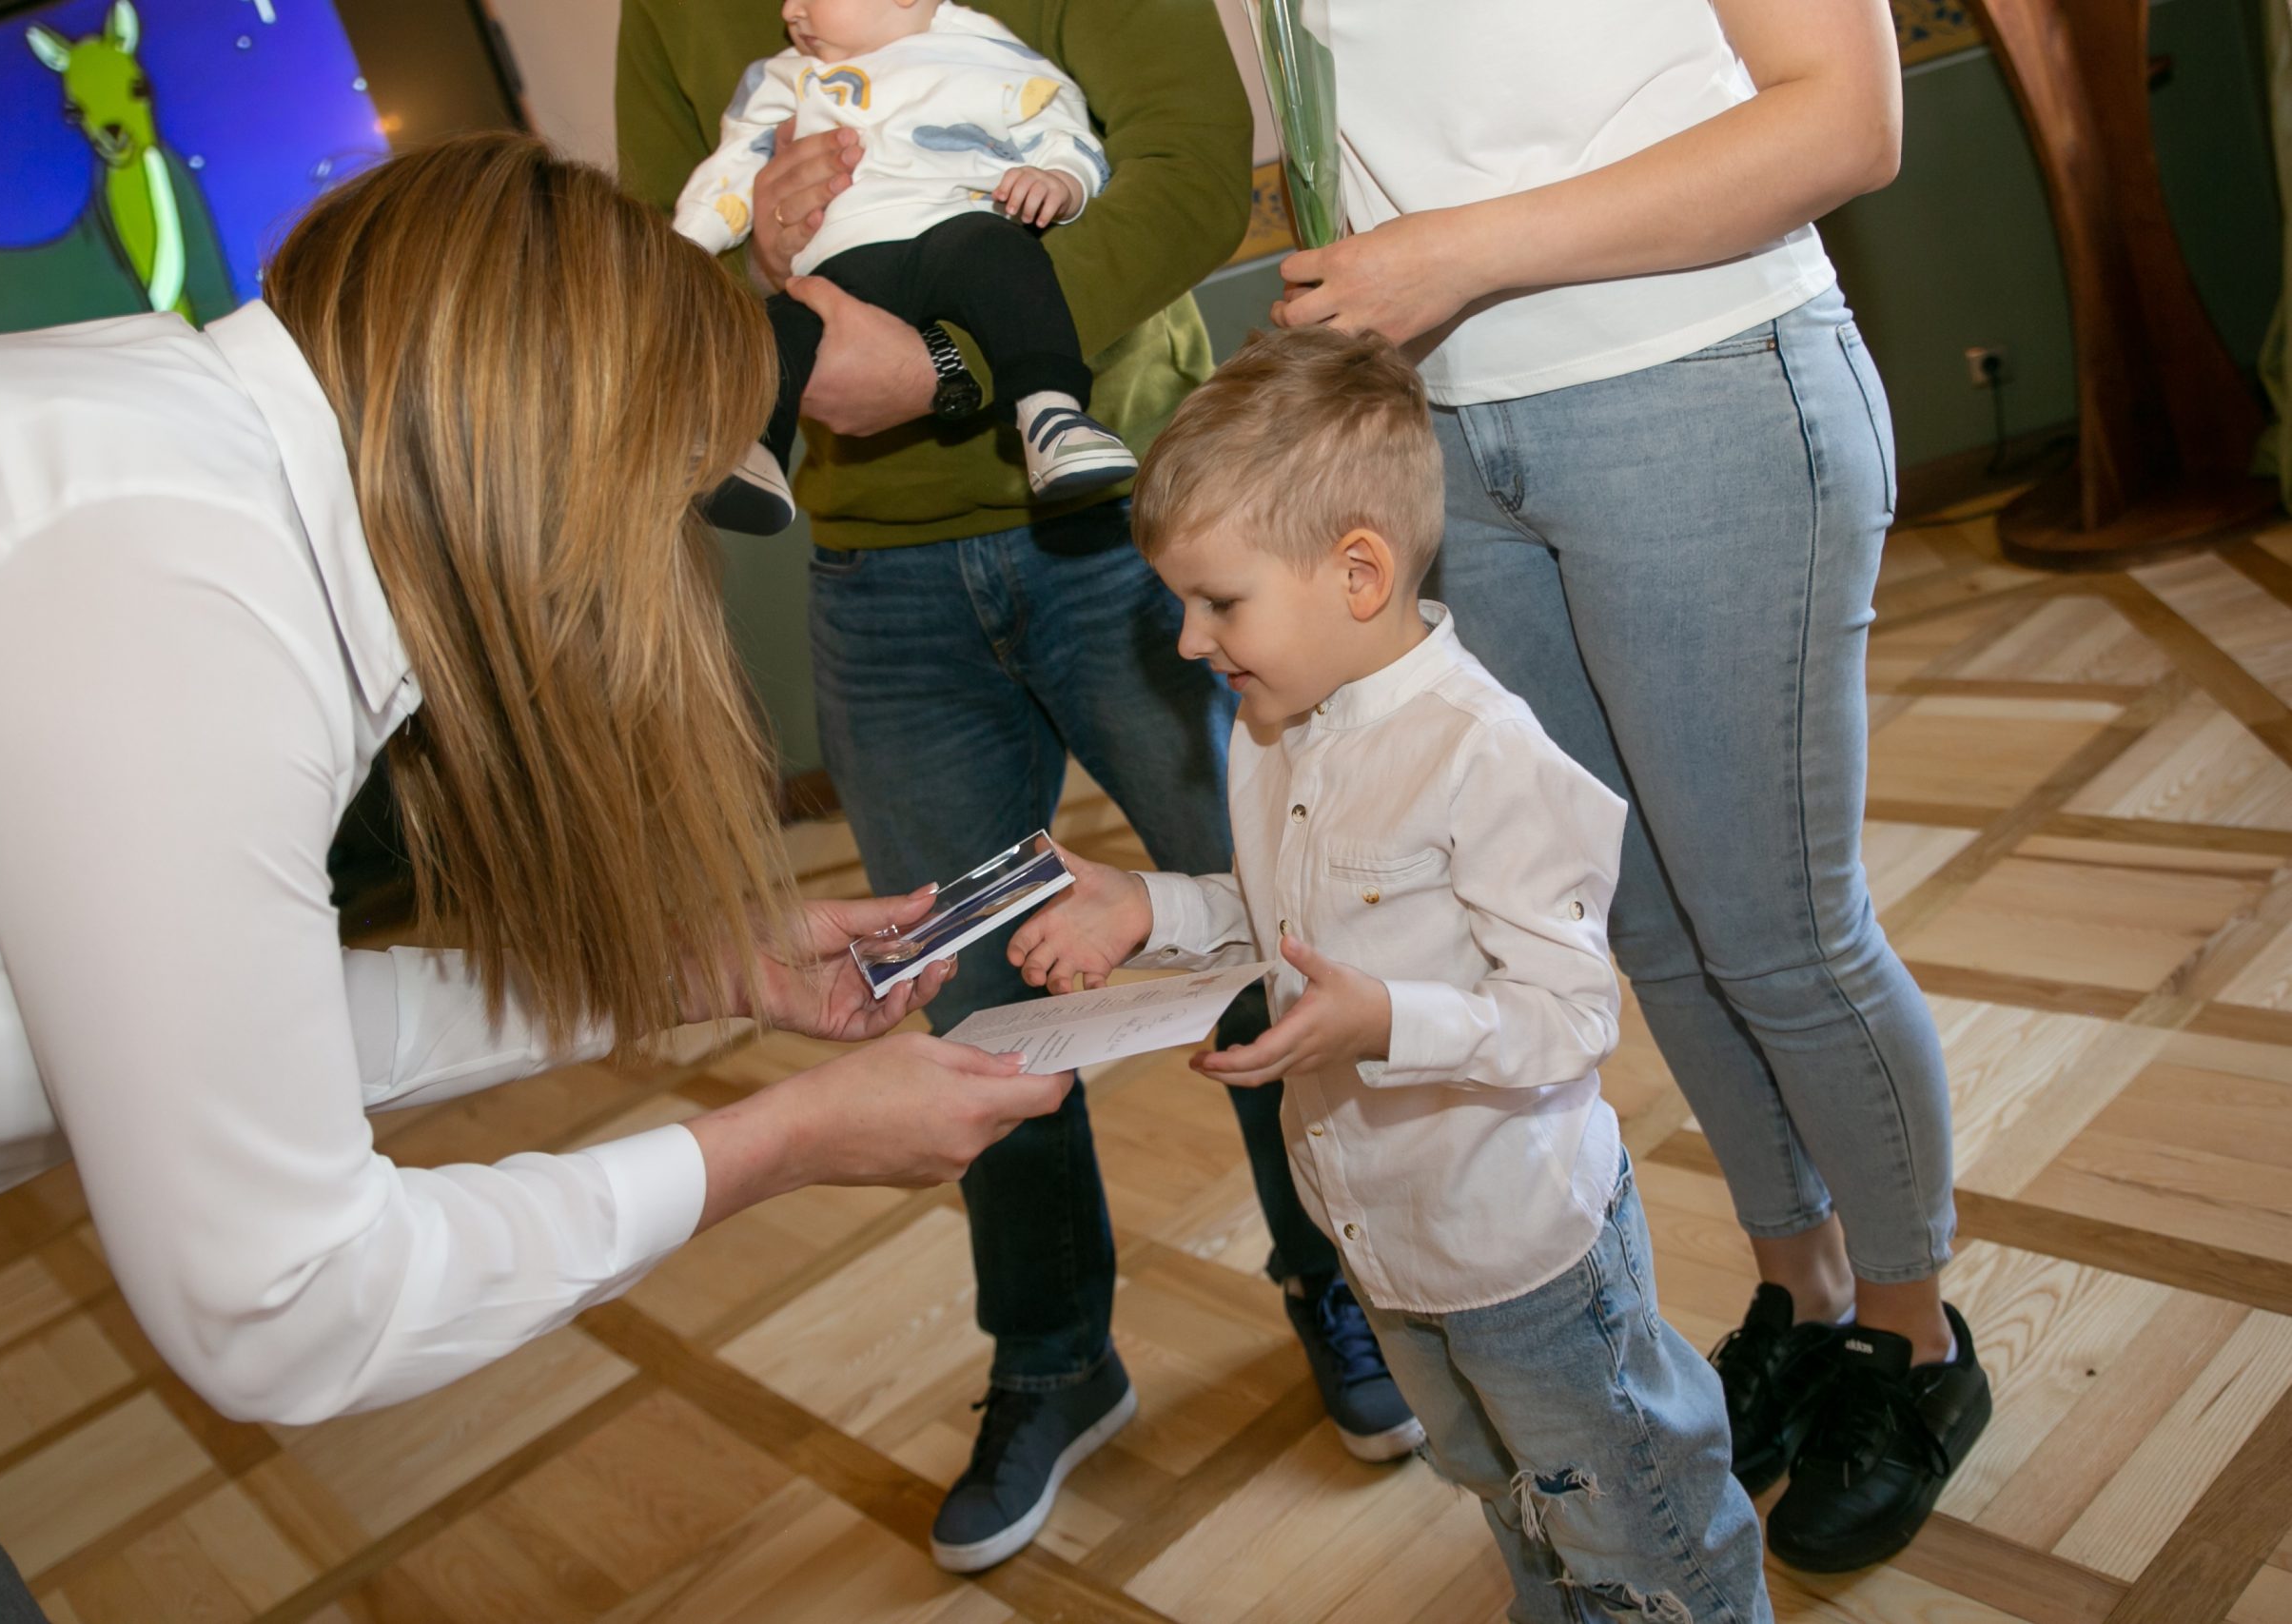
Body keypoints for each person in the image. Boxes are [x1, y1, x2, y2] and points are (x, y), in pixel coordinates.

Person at [0, 134, 1072, 1619]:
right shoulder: (175, 599)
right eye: (663, 505)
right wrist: (791, 1138)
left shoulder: (164, 460)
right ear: (566, 459)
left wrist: (694, 975)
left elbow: (248, 1040)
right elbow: (292, 1302)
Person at [618, 0, 1420, 1575]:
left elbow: (1191, 166)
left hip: (1134, 516)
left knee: (1272, 926)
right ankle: (1055, 1356)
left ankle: (1345, 1280)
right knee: (968, 990)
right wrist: (757, 256)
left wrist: (952, 365)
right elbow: (659, 264)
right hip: (871, 573)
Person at [1270, 0, 1991, 1573]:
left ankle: (1916, 1337)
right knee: (1645, 928)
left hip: (1698, 378)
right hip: (1446, 432)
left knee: (1782, 934)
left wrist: (1460, 253)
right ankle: (1803, 1289)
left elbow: (1846, 116)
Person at [1010, 325, 1772, 1624]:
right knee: (1508, 1490)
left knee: (1630, 1510)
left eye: (1218, 602)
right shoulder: (1269, 732)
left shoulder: (1484, 754)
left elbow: (1570, 1012)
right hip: (1384, 1239)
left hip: (1522, 1252)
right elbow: (1282, 922)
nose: (1188, 641)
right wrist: (1149, 906)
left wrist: (1384, 1020)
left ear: (1357, 572)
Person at [675, 0, 1134, 531]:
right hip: (839, 265)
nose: (789, 10)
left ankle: (1052, 415)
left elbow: (1054, 119)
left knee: (1009, 266)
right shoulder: (786, 78)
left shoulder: (978, 49)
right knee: (780, 330)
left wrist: (1063, 179)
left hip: (956, 232)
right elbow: (732, 167)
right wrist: (689, 242)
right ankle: (750, 450)